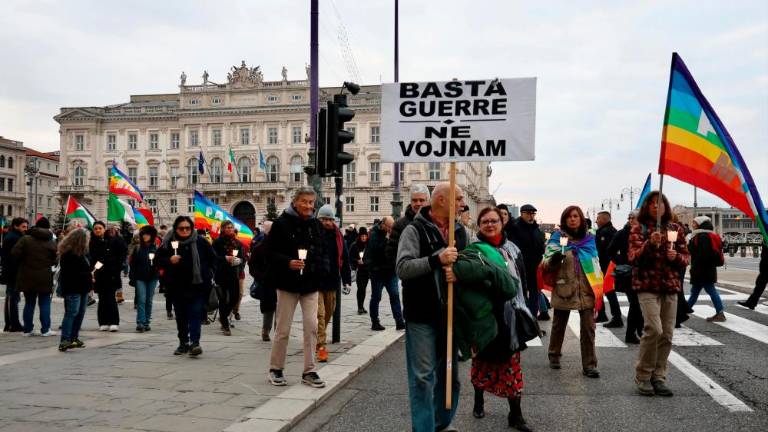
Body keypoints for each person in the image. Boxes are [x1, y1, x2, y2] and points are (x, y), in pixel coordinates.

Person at [396, 181, 469, 432]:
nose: (462, 204)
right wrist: (436, 259)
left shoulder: (460, 231)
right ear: (441, 200)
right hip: (422, 314)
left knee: (451, 378)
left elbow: (468, 266)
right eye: (458, 199)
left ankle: (441, 423)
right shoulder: (414, 230)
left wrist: (458, 273)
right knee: (423, 378)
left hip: (449, 315)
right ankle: (424, 428)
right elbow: (403, 268)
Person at [453, 207, 531, 431]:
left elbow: (522, 281)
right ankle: (478, 399)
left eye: (494, 220)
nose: (490, 224)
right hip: (484, 316)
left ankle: (515, 415)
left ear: (502, 222)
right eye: (485, 221)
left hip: (510, 315)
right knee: (482, 362)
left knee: (512, 366)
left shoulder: (513, 249)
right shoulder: (474, 250)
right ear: (479, 225)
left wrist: (526, 308)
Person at [628, 191, 689, 397]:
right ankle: (643, 375)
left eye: (661, 203)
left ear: (666, 207)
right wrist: (649, 244)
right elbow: (633, 258)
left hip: (670, 286)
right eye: (653, 204)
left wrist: (676, 257)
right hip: (647, 285)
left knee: (667, 334)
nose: (657, 207)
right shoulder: (639, 229)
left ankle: (659, 376)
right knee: (654, 329)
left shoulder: (675, 229)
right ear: (647, 207)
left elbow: (686, 257)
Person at [266, 186, 328, 388]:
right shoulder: (281, 224)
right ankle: (276, 368)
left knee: (311, 327)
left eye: (311, 202)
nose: (308, 206)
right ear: (295, 202)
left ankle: (309, 370)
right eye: (305, 202)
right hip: (287, 284)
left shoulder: (315, 225)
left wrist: (319, 269)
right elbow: (270, 253)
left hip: (310, 284)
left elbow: (321, 252)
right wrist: (287, 262)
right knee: (283, 328)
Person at [542, 206, 601, 378]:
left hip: (586, 287)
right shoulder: (557, 237)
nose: (572, 219)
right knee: (559, 324)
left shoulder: (589, 239)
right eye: (569, 217)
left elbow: (595, 261)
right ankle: (554, 355)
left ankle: (590, 365)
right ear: (564, 220)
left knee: (589, 328)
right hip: (564, 285)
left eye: (575, 216)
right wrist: (556, 257)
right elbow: (546, 262)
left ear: (581, 218)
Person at [157, 216, 217, 357]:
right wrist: (169, 260)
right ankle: (183, 342)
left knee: (195, 314)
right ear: (176, 229)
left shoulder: (201, 242)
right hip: (177, 286)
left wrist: (209, 272)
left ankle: (195, 343)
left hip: (197, 286)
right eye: (181, 228)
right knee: (181, 316)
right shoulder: (168, 243)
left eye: (187, 228)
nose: (184, 230)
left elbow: (213, 259)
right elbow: (158, 260)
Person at [315, 204, 352, 363]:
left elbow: (344, 259)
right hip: (315, 281)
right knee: (320, 314)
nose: (327, 222)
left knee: (329, 312)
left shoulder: (338, 236)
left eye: (330, 219)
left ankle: (317, 335)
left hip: (332, 281)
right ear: (319, 219)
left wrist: (347, 281)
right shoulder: (313, 233)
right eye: (324, 219)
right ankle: (321, 346)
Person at [12, 217, 57, 336]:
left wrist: (25, 261)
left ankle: (28, 329)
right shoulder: (50, 241)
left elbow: (14, 253)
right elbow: (55, 259)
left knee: (29, 303)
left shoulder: (25, 239)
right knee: (45, 303)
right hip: (44, 276)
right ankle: (45, 329)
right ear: (48, 228)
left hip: (27, 275)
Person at [607, 210, 644, 344]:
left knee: (638, 304)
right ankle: (633, 332)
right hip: (629, 273)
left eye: (633, 217)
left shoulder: (645, 233)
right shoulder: (622, 233)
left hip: (643, 273)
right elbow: (610, 251)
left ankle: (639, 330)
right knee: (635, 303)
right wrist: (622, 261)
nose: (630, 220)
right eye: (629, 217)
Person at [365, 216, 405, 331]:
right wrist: (386, 240)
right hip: (377, 272)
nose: (391, 229)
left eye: (393, 227)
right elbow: (375, 249)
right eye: (389, 227)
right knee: (376, 297)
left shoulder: (393, 234)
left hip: (391, 271)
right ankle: (375, 322)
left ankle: (399, 321)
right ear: (383, 225)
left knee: (395, 295)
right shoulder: (374, 234)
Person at [508, 204, 546, 320]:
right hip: (519, 268)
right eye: (528, 213)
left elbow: (541, 247)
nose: (531, 216)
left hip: (534, 268)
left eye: (533, 214)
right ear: (522, 213)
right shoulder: (515, 228)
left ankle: (533, 321)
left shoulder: (536, 229)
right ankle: (522, 321)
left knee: (535, 295)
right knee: (521, 296)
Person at [57, 228, 92, 351]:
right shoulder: (69, 254)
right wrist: (87, 274)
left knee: (80, 313)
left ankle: (74, 338)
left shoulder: (82, 253)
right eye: (87, 239)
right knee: (71, 313)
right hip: (73, 288)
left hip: (82, 288)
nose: (88, 241)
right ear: (80, 240)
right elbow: (71, 273)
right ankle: (65, 340)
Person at [686, 216, 726, 322]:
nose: (692, 224)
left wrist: (695, 269)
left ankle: (720, 312)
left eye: (694, 223)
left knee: (710, 290)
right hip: (706, 269)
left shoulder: (702, 236)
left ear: (699, 224)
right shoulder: (706, 234)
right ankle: (684, 311)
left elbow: (702, 254)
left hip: (703, 270)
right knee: (695, 291)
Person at [90, 221, 127, 332]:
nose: (97, 230)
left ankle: (114, 322)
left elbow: (120, 253)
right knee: (102, 299)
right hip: (99, 274)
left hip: (111, 274)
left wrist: (117, 265)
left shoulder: (112, 240)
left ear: (104, 229)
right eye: (95, 228)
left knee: (110, 298)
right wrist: (96, 267)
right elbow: (94, 258)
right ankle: (103, 322)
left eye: (99, 228)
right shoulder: (92, 242)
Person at [386, 183, 430, 269]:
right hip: (410, 276)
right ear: (410, 201)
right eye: (415, 200)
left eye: (421, 200)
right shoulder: (400, 224)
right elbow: (391, 252)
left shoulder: (434, 221)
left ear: (427, 201)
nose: (418, 203)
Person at [212, 221, 245, 336]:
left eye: (231, 227)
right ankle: (225, 325)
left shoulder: (237, 243)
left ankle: (223, 316)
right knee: (222, 299)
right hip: (221, 274)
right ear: (223, 229)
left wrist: (239, 261)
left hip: (233, 274)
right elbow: (213, 258)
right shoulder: (217, 242)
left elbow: (242, 258)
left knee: (235, 297)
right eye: (228, 227)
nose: (230, 229)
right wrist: (224, 258)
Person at [129, 225, 159, 333]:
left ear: (152, 236)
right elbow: (133, 264)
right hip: (140, 277)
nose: (145, 236)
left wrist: (155, 263)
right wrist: (132, 276)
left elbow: (160, 264)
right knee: (141, 299)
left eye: (148, 234)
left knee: (149, 300)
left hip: (152, 277)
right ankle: (140, 322)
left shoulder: (156, 248)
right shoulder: (138, 248)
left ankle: (146, 322)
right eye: (144, 234)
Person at [249, 220, 275, 341]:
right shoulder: (259, 248)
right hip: (266, 282)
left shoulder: (281, 247)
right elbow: (252, 266)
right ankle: (266, 330)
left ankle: (279, 331)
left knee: (280, 308)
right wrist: (260, 277)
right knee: (268, 308)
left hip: (279, 282)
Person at [2, 217, 28, 332]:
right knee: (13, 298)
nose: (25, 229)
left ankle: (10, 323)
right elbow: (15, 257)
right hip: (13, 271)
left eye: (26, 227)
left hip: (12, 271)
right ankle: (13, 323)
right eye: (23, 226)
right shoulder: (15, 238)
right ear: (16, 226)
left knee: (11, 297)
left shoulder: (12, 236)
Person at [595, 211, 621, 327]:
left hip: (605, 266)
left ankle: (616, 317)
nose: (596, 221)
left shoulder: (605, 232)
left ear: (605, 219)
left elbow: (602, 251)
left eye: (598, 219)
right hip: (609, 266)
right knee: (603, 291)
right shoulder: (612, 230)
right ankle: (602, 313)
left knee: (608, 291)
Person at [738, 242, 767, 310]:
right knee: (759, 285)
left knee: (760, 285)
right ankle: (751, 303)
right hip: (764, 267)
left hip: (766, 267)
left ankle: (751, 303)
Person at [349, 227, 370, 315]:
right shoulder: (354, 245)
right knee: (360, 288)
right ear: (359, 236)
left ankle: (362, 306)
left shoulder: (368, 245)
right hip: (358, 270)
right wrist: (357, 261)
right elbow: (349, 257)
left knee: (364, 288)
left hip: (366, 270)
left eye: (365, 236)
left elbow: (371, 256)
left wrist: (367, 262)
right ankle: (359, 307)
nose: (364, 238)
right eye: (362, 236)